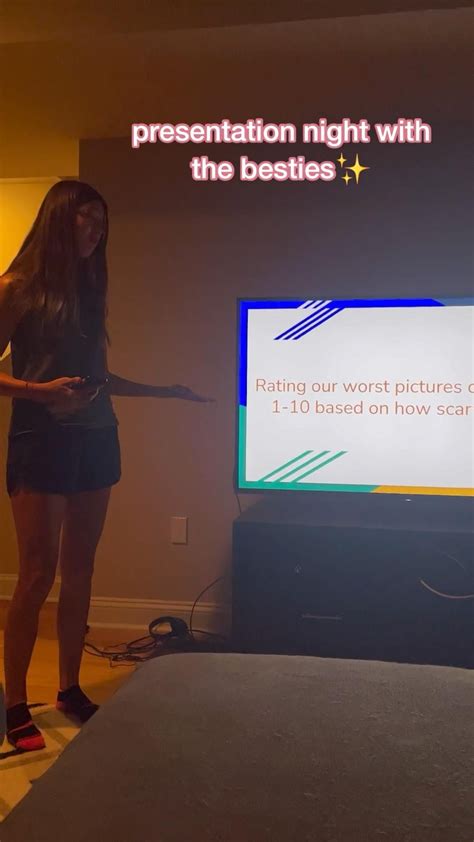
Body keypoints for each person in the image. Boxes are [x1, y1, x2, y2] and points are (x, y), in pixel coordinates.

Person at [0, 180, 212, 751]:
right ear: (58, 220)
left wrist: (166, 392)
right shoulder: (15, 288)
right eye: (86, 219)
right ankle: (14, 703)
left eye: (102, 222)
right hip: (40, 441)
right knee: (37, 574)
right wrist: (39, 391)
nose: (96, 231)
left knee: (82, 570)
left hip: (97, 440)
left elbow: (98, 378)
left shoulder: (90, 292)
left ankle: (68, 688)